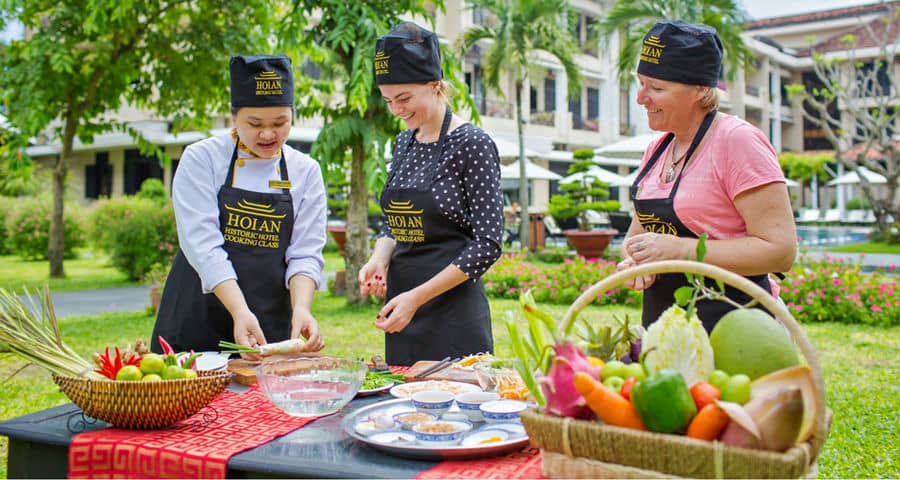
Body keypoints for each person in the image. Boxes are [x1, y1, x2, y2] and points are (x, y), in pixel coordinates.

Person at [617, 21, 797, 332]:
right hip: (667, 335)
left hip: (738, 332)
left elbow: (781, 251)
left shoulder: (737, 141)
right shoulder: (657, 150)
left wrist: (679, 250)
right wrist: (635, 262)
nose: (641, 98)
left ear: (701, 89)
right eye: (641, 83)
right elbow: (637, 237)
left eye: (657, 88)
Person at [151, 55, 327, 355]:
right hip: (197, 318)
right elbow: (203, 245)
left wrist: (302, 308)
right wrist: (239, 310)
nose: (268, 134)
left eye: (280, 122)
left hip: (266, 327)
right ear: (233, 117)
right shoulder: (202, 159)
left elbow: (305, 253)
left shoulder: (306, 171)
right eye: (255, 124)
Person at [359, 22, 504, 366]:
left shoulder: (473, 144)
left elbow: (488, 244)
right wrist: (379, 258)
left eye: (404, 98)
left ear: (435, 85)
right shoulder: (403, 142)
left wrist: (418, 298)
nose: (396, 110)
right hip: (403, 312)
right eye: (388, 100)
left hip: (453, 315)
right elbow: (394, 222)